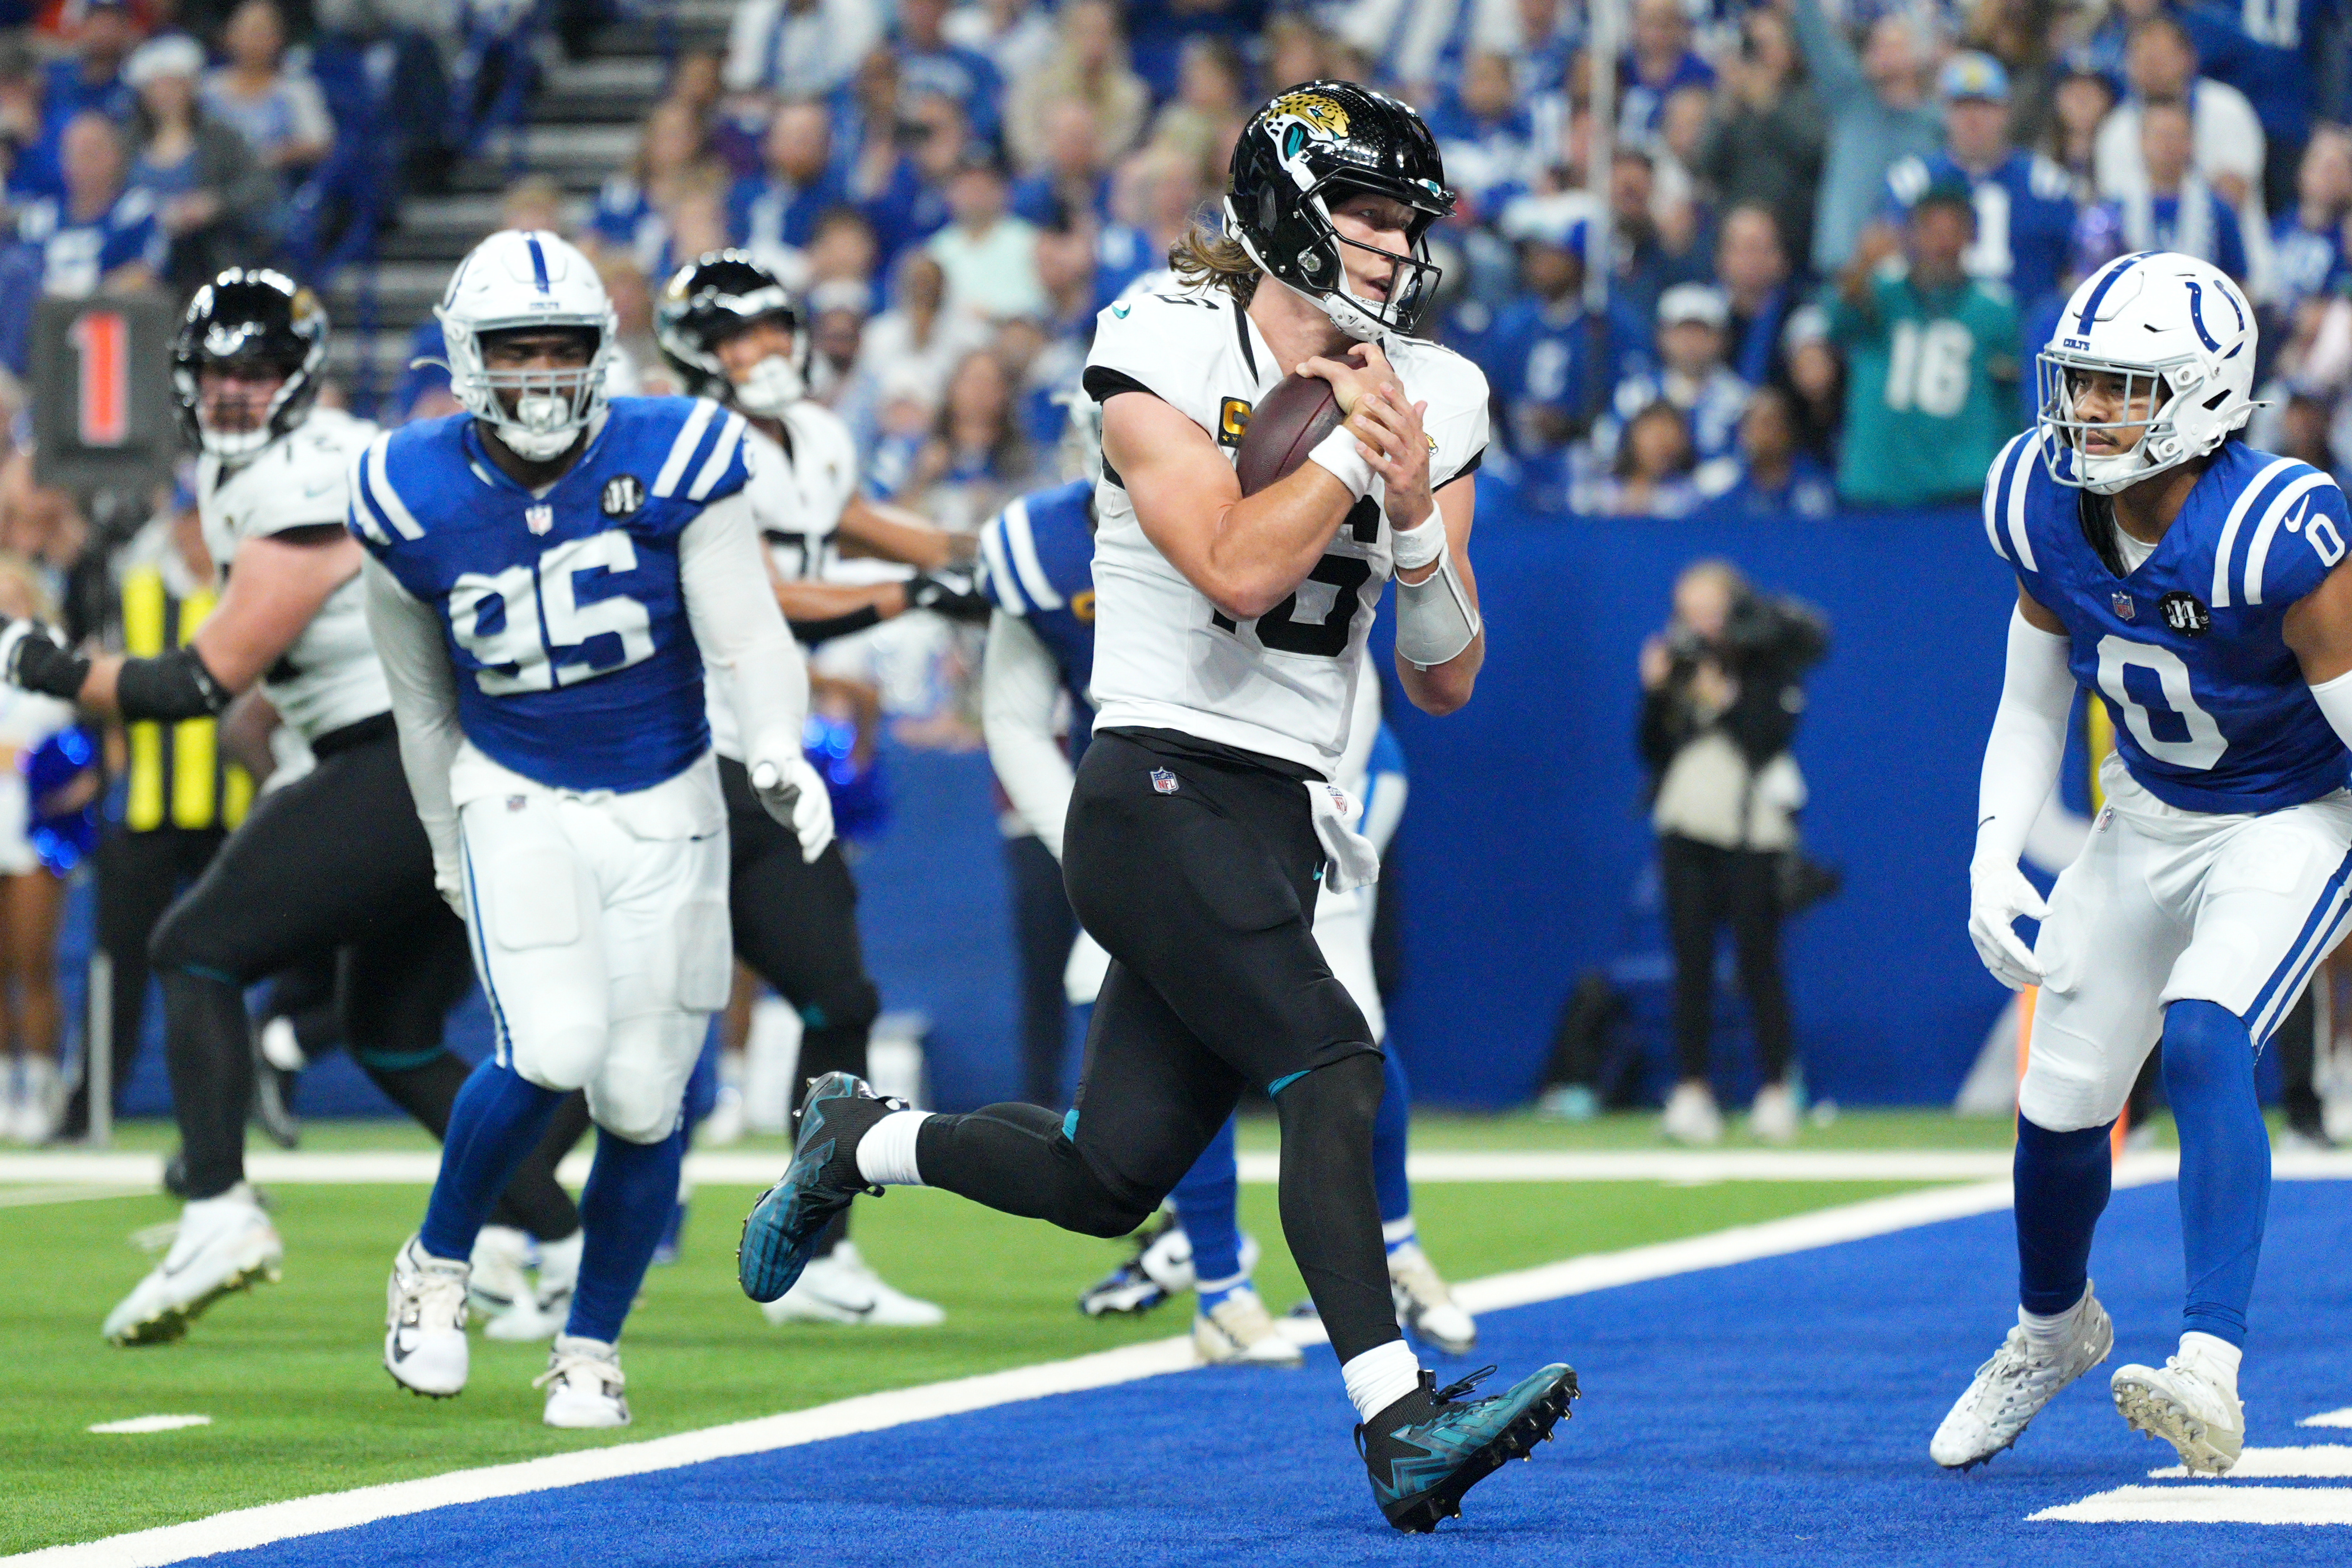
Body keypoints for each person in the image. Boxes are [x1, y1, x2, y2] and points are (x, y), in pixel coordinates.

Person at [735, 82, 1573, 1534]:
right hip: (1151, 781)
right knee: (1336, 1064)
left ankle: (858, 1137)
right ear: (1282, 208)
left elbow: (1445, 676)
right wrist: (1344, 451)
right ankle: (1397, 1417)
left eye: (1405, 221)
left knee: (1102, 1172)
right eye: (1364, 213)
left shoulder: (1435, 389)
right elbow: (1238, 569)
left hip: (1276, 809)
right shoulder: (1161, 337)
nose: (1389, 246)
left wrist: (1418, 509)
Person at [0, 271, 583, 1344]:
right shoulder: (276, 468)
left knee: (194, 950)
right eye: (219, 370)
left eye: (257, 371)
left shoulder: (307, 472)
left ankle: (220, 1207)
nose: (233, 391)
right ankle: (561, 1235)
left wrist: (32, 658)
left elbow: (194, 682)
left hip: (408, 757)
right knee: (393, 1035)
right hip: (433, 754)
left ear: (298, 380)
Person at [356, 231, 832, 1426]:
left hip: (669, 799)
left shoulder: (681, 453)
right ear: (469, 361)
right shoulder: (405, 488)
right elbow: (421, 700)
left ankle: (589, 1348)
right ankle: (438, 1264)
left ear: (601, 355)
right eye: (516, 352)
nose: (541, 375)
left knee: (641, 1099)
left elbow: (747, 635)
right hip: (516, 791)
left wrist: (777, 743)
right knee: (557, 1044)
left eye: (562, 349)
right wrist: (434, 841)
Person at [1939, 251, 2350, 1476]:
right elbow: (2030, 702)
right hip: (2146, 813)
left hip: (2288, 816)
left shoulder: (2275, 529)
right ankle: (2051, 1327)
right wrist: (1991, 850)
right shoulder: (2038, 498)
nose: (2091, 412)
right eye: (2084, 383)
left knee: (2208, 1030)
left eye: (2125, 387)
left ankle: (2209, 1370)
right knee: (2060, 1102)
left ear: (2206, 396)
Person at [977, 427, 1476, 1364]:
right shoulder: (1046, 544)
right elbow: (1010, 718)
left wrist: (1324, 810)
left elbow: (1355, 671)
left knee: (1344, 1024)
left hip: (1324, 780)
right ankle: (1220, 1280)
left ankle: (1397, 1255)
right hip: (1169, 808)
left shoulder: (1275, 490)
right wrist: (1089, 850)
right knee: (1153, 1054)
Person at [651, 248, 959, 1326]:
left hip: (773, 755)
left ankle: (818, 1250)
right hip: (680, 757)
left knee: (841, 997)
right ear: (698, 350)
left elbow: (858, 519)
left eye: (774, 328)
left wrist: (985, 552)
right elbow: (763, 590)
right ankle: (520, 1230)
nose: (767, 351)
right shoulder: (686, 440)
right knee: (627, 1016)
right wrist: (905, 594)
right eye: (741, 336)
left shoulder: (817, 435)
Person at [1639, 562, 1825, 1145]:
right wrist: (1655, 693)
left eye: (1709, 610)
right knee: (1689, 963)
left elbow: (1766, 739)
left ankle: (1776, 1088)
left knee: (1757, 960)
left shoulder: (1768, 663)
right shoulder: (1678, 662)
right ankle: (1692, 1090)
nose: (1699, 624)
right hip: (1685, 821)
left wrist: (1722, 696)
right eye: (1687, 611)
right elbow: (1650, 749)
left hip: (1751, 828)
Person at [1823, 184, 2023, 507]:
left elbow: (2011, 403)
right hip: (1879, 484)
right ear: (1910, 236)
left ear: (1971, 237)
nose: (1942, 244)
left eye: (1952, 231)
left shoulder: (1995, 309)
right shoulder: (1879, 292)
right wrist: (1862, 264)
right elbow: (1836, 324)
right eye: (1931, 230)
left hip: (1961, 487)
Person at [1881, 52, 2078, 315]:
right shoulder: (1912, 183)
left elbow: (2073, 270)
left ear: (2007, 112)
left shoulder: (2047, 186)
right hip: (1936, 335)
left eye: (1985, 106)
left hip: (2026, 335)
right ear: (1944, 113)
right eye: (1962, 106)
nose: (1973, 119)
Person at [0, 554, 77, 1143]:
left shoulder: (53, 653)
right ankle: (5, 1084)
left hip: (35, 831)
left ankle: (43, 1082)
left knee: (34, 964)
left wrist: (24, 760)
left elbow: (62, 744)